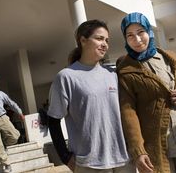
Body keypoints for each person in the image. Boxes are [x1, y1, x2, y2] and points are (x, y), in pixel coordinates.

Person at [117, 12, 176, 173]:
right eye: (130, 35)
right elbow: (128, 112)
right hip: (155, 144)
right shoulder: (126, 70)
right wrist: (138, 150)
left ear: (149, 31)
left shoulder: (170, 58)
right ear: (125, 39)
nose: (137, 39)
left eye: (141, 32)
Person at [47, 20, 134, 173]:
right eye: (99, 38)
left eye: (107, 40)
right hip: (89, 164)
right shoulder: (66, 77)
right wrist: (66, 157)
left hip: (123, 161)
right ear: (83, 40)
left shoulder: (112, 74)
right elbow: (53, 120)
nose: (105, 44)